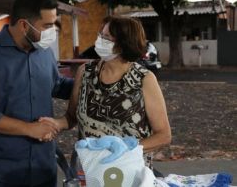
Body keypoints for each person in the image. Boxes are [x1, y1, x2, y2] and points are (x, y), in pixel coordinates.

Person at [0, 0, 73, 187]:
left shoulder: (44, 52)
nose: (52, 32)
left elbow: (56, 85)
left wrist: (91, 81)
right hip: (1, 173)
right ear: (23, 25)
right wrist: (29, 129)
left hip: (44, 167)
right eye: (47, 26)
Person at [44, 16, 171, 169]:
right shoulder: (85, 72)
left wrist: (127, 149)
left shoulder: (144, 79)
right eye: (100, 35)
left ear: (123, 43)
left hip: (130, 172)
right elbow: (71, 117)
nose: (100, 40)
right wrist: (55, 123)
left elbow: (163, 135)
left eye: (107, 37)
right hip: (91, 170)